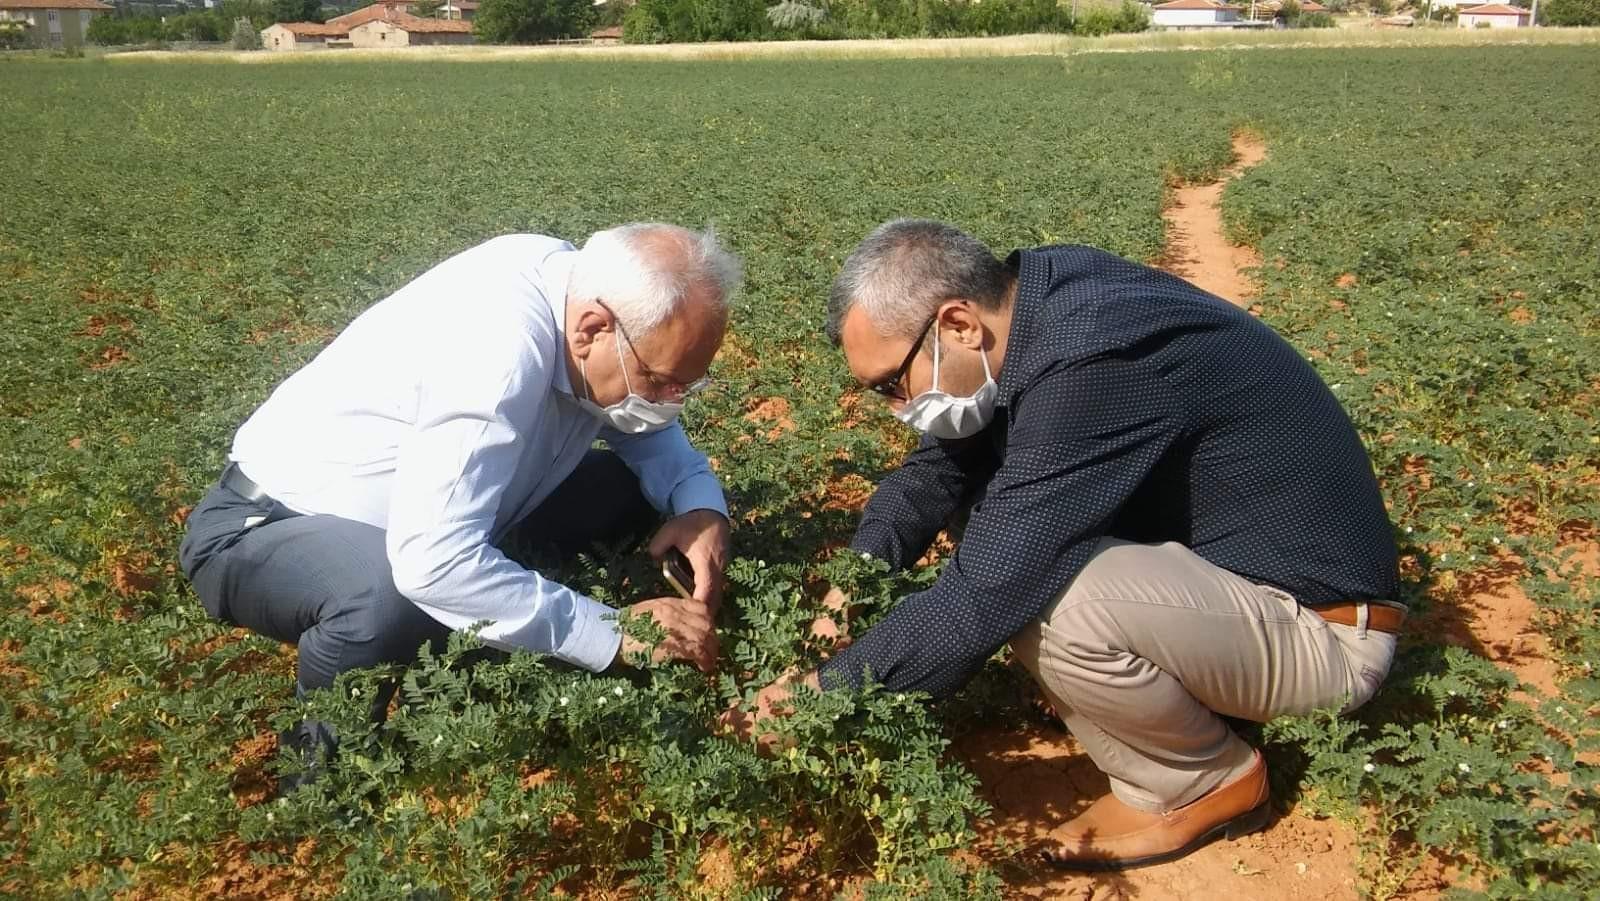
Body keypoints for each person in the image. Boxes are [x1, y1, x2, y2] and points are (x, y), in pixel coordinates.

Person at [725, 219, 1401, 871]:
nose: (897, 408)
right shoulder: (1035, 304)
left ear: (957, 323)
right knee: (998, 517)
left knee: (1047, 588)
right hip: (1238, 598)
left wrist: (820, 695)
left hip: (1326, 636)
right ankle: (1169, 702)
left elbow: (987, 587)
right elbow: (937, 472)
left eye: (890, 385)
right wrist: (852, 588)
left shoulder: (1091, 358)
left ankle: (1197, 780)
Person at [181, 224, 739, 784]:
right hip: (265, 529)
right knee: (384, 599)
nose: (669, 404)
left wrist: (699, 506)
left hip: (444, 516)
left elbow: (641, 424)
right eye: (662, 381)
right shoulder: (498, 348)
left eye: (684, 389)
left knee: (627, 488)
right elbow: (432, 562)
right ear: (592, 330)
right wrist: (611, 633)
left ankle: (473, 640)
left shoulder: (580, 296)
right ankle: (320, 789)